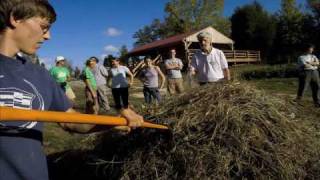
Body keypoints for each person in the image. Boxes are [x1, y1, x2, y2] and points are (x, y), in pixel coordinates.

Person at [0, 1, 143, 180]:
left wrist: (114, 122)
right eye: (44, 27)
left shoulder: (40, 75)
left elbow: (72, 122)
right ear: (16, 18)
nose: (48, 36)